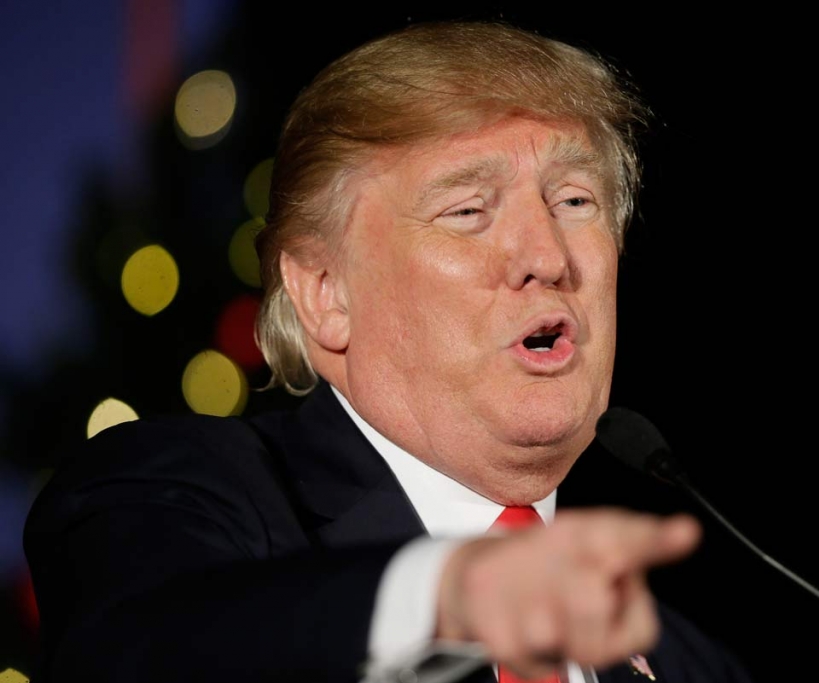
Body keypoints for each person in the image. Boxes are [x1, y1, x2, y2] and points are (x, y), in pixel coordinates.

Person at [24, 21, 751, 683]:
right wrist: (447, 594)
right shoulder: (182, 492)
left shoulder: (688, 662)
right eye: (468, 210)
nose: (548, 255)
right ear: (325, 293)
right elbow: (137, 656)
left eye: (575, 201)